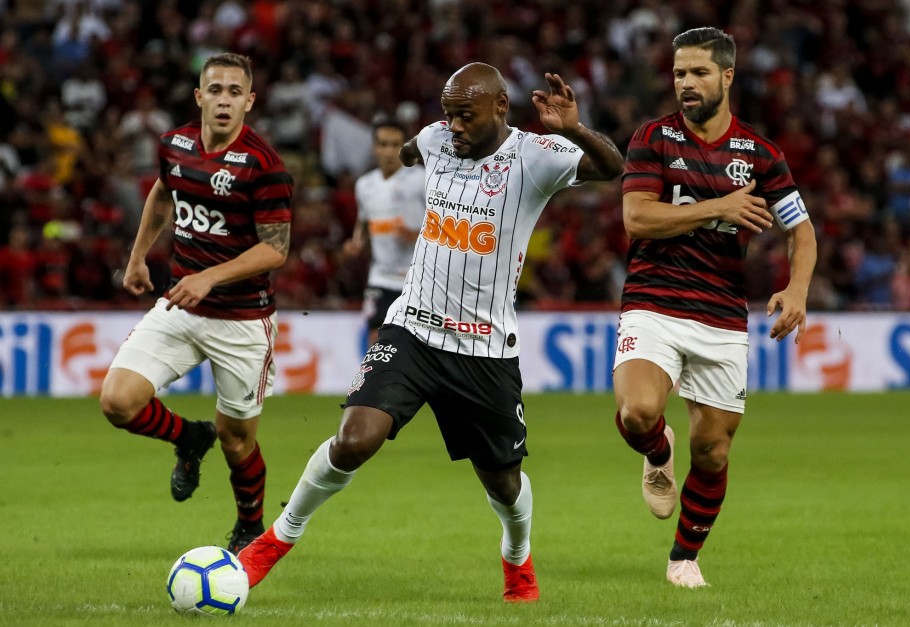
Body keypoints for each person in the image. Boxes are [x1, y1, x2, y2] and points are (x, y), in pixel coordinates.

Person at [237, 62, 623, 602]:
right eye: (448, 115)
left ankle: (517, 555)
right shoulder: (436, 139)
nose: (454, 127)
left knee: (504, 484)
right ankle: (274, 543)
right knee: (354, 439)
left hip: (484, 351)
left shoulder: (536, 155)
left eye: (465, 116)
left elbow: (612, 169)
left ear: (499, 108)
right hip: (412, 328)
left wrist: (575, 129)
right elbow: (416, 150)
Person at [613, 27, 817, 588]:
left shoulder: (761, 155)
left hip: (722, 315)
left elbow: (803, 232)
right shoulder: (652, 138)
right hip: (653, 302)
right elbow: (637, 219)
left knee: (713, 450)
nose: (685, 83)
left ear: (727, 76)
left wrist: (797, 290)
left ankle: (684, 559)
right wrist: (719, 207)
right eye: (679, 73)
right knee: (637, 414)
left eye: (698, 72)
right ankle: (657, 452)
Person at [98, 52, 294, 553]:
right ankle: (187, 438)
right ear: (199, 96)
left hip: (243, 320)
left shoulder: (265, 166)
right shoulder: (175, 145)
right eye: (216, 90)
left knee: (237, 441)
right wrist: (138, 256)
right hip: (181, 306)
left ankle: (250, 524)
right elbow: (164, 193)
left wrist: (210, 277)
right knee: (117, 403)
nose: (224, 100)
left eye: (235, 92)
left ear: (249, 102)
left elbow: (275, 248)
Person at [343, 118, 426, 346]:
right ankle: (377, 381)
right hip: (380, 276)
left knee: (415, 343)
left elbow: (445, 223)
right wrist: (356, 243)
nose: (389, 151)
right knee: (375, 338)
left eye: (395, 144)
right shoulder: (365, 185)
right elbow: (363, 223)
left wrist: (416, 234)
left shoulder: (421, 179)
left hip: (417, 278)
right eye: (383, 144)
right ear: (374, 147)